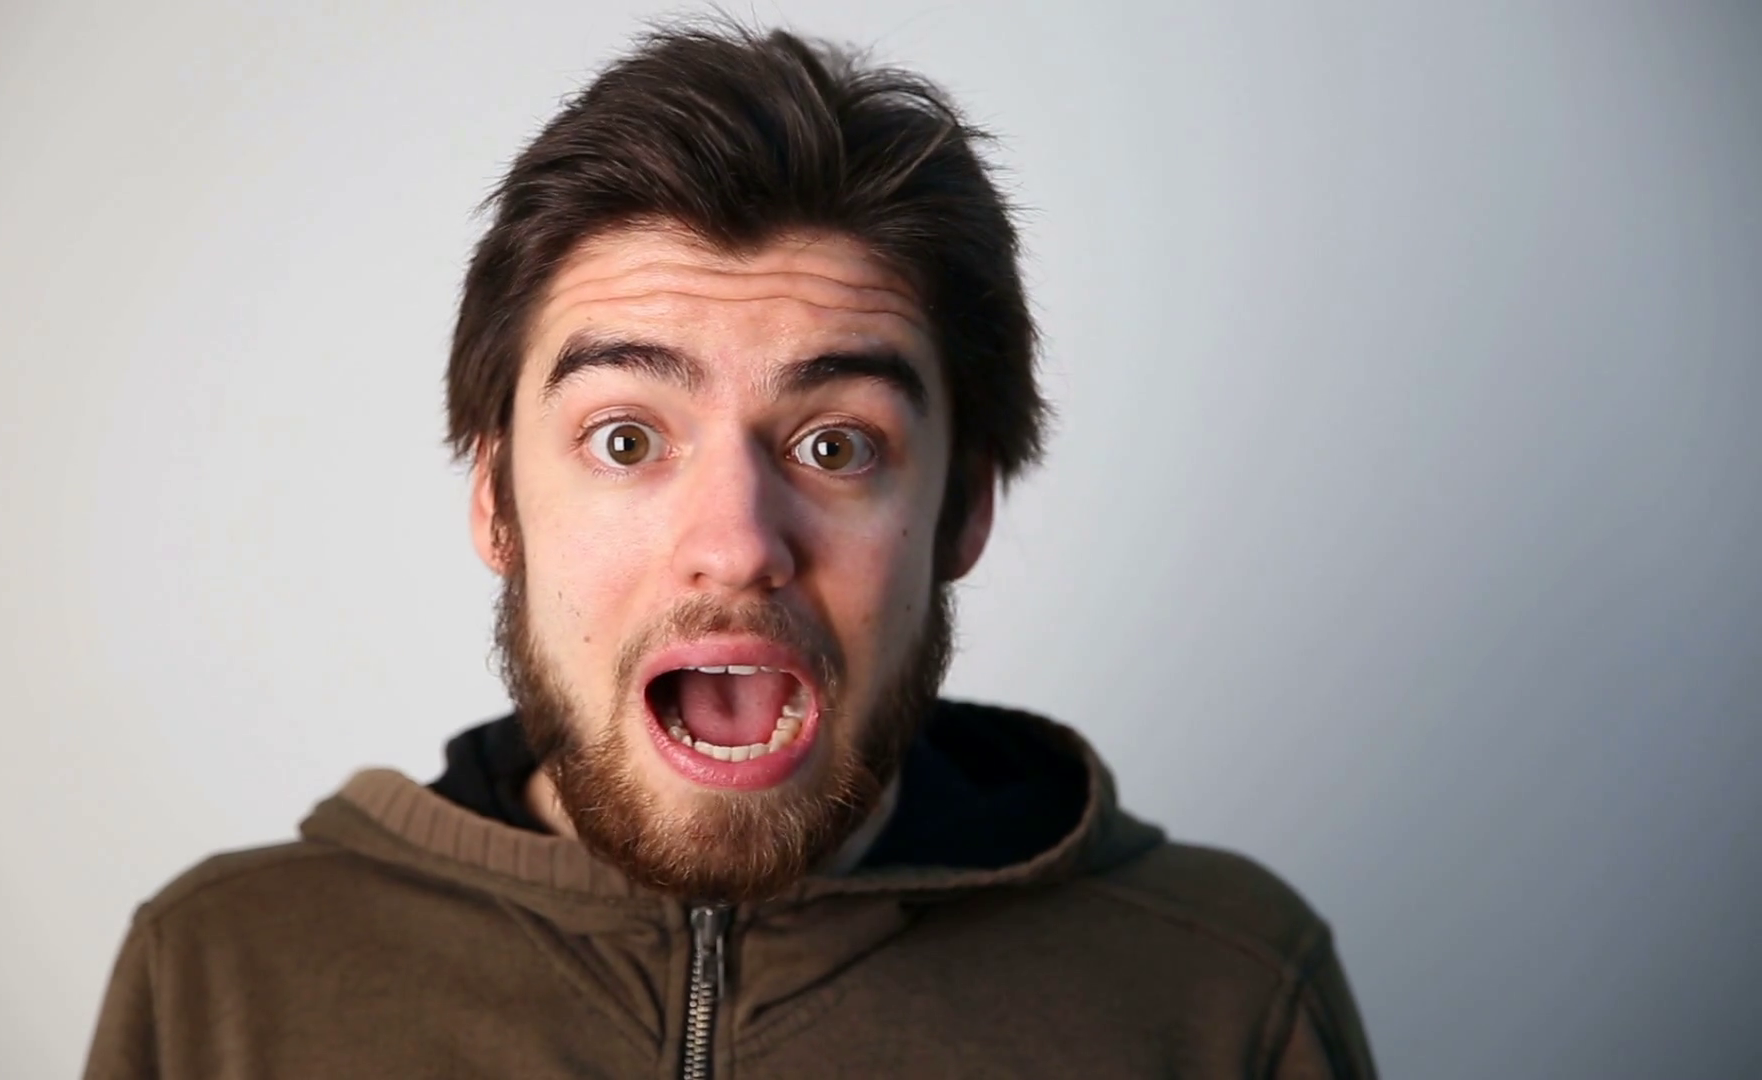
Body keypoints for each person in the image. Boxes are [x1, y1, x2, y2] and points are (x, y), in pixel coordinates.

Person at [84, 22, 1375, 1079]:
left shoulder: (1224, 999)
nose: (737, 545)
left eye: (836, 446)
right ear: (495, 503)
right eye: (627, 440)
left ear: (964, 511)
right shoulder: (219, 981)